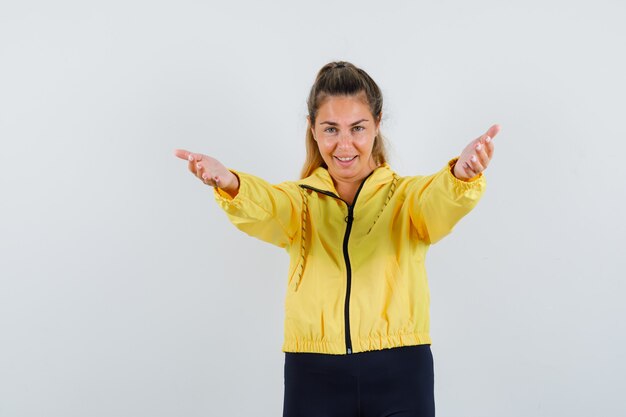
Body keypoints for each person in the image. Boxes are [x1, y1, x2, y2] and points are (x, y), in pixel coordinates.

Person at [175, 61, 499, 417]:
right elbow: (266, 204)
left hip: (401, 370)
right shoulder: (299, 202)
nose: (344, 144)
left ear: (377, 124)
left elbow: (438, 199)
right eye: (331, 129)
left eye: (357, 128)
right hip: (313, 373)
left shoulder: (407, 199)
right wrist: (231, 183)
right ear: (313, 130)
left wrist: (460, 175)